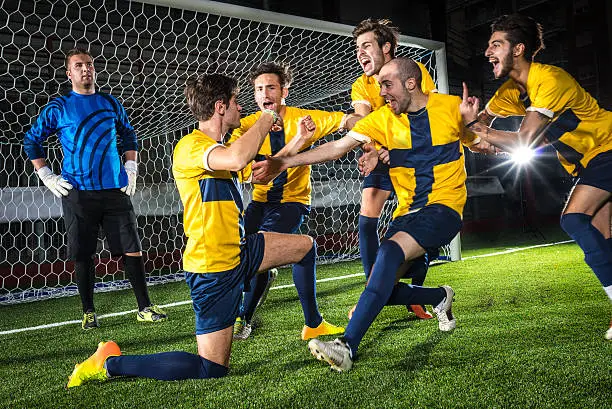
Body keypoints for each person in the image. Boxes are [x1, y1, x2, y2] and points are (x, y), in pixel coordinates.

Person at [65, 73, 345, 387]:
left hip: (241, 250)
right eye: (237, 102)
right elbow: (239, 156)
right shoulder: (192, 146)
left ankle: (313, 323)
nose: (242, 108)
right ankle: (111, 361)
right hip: (213, 267)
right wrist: (270, 115)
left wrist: (298, 142)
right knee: (211, 368)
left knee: (306, 246)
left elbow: (263, 168)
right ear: (220, 107)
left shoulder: (224, 149)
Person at [252, 57, 469, 371]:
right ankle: (439, 296)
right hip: (406, 212)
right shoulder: (382, 119)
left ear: (411, 83)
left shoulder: (449, 106)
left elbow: (480, 139)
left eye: (387, 84)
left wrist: (477, 124)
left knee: (390, 255)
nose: (381, 92)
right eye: (380, 85)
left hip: (445, 207)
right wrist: (283, 162)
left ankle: (346, 347)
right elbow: (338, 147)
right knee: (380, 285)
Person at [461, 14, 612, 340]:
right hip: (588, 163)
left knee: (573, 219)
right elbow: (480, 130)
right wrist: (470, 133)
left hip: (608, 147)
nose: (487, 51)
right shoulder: (507, 93)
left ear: (519, 49)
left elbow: (524, 138)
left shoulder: (549, 80)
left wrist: (479, 130)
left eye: (496, 44)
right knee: (602, 236)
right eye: (488, 45)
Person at [23, 48, 167, 330]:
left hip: (115, 190)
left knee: (132, 249)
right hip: (78, 192)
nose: (86, 69)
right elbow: (32, 141)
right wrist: (47, 175)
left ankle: (144, 307)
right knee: (83, 253)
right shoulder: (59, 107)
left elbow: (129, 135)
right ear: (69, 73)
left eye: (89, 64)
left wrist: (131, 168)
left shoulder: (110, 103)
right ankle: (88, 312)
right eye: (79, 66)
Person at [350, 19, 483, 320]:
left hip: (414, 154)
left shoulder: (413, 72)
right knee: (368, 211)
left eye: (366, 46)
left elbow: (423, 116)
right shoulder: (361, 83)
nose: (360, 53)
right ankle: (375, 289)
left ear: (386, 48)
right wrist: (373, 150)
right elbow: (363, 124)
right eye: (357, 48)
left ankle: (413, 293)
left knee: (419, 216)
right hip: (383, 151)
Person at [228, 61, 349, 340]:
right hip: (258, 203)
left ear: (284, 90)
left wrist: (364, 123)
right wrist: (296, 143)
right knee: (240, 254)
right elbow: (255, 175)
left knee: (262, 247)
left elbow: (343, 120)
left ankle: (244, 319)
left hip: (292, 202)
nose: (264, 93)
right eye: (259, 88)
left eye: (271, 87)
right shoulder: (247, 127)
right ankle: (248, 305)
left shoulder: (303, 117)